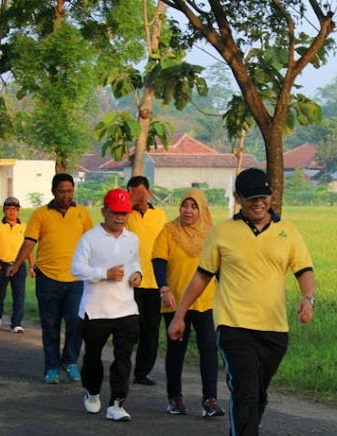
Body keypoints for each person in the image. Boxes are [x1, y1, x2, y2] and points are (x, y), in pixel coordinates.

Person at [168, 168, 315, 436]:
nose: (259, 203)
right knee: (246, 389)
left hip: (275, 328)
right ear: (238, 200)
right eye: (251, 199)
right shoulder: (222, 233)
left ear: (271, 197)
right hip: (234, 325)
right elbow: (202, 276)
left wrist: (308, 299)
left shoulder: (287, 232)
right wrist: (180, 314)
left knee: (257, 394)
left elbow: (304, 269)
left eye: (263, 197)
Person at [7, 173, 93, 384]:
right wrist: (17, 264)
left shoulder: (82, 214)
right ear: (53, 191)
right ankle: (52, 367)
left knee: (76, 321)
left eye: (70, 191)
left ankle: (70, 361)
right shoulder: (40, 214)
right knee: (50, 325)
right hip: (47, 278)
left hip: (75, 279)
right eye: (62, 192)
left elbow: (92, 243)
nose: (66, 196)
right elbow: (29, 241)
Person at [71, 188, 142, 422]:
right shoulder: (90, 238)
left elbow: (134, 262)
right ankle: (92, 392)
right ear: (104, 211)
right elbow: (77, 268)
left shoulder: (132, 238)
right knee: (93, 357)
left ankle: (116, 403)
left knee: (123, 358)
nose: (120, 218)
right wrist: (104, 274)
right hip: (96, 310)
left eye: (124, 213)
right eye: (115, 213)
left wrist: (137, 275)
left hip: (126, 309)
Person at [152, 189, 223, 417]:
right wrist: (164, 288)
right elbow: (158, 261)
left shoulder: (212, 235)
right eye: (185, 205)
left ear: (201, 209)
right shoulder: (169, 231)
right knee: (176, 350)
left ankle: (210, 400)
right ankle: (175, 398)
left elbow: (220, 267)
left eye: (194, 206)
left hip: (206, 302)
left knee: (209, 349)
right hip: (175, 302)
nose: (188, 211)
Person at [125, 175, 167, 386]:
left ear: (149, 192)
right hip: (130, 282)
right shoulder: (124, 216)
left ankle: (142, 372)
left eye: (143, 192)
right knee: (131, 328)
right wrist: (129, 204)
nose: (140, 197)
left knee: (151, 331)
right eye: (135, 193)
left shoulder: (159, 215)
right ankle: (122, 365)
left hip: (155, 283)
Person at [0, 197, 33, 333]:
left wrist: (32, 265)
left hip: (19, 265)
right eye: (9, 209)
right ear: (4, 210)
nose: (12, 212)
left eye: (15, 209)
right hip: (1, 265)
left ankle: (16, 323)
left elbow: (28, 247)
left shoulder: (24, 227)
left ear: (18, 211)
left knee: (19, 295)